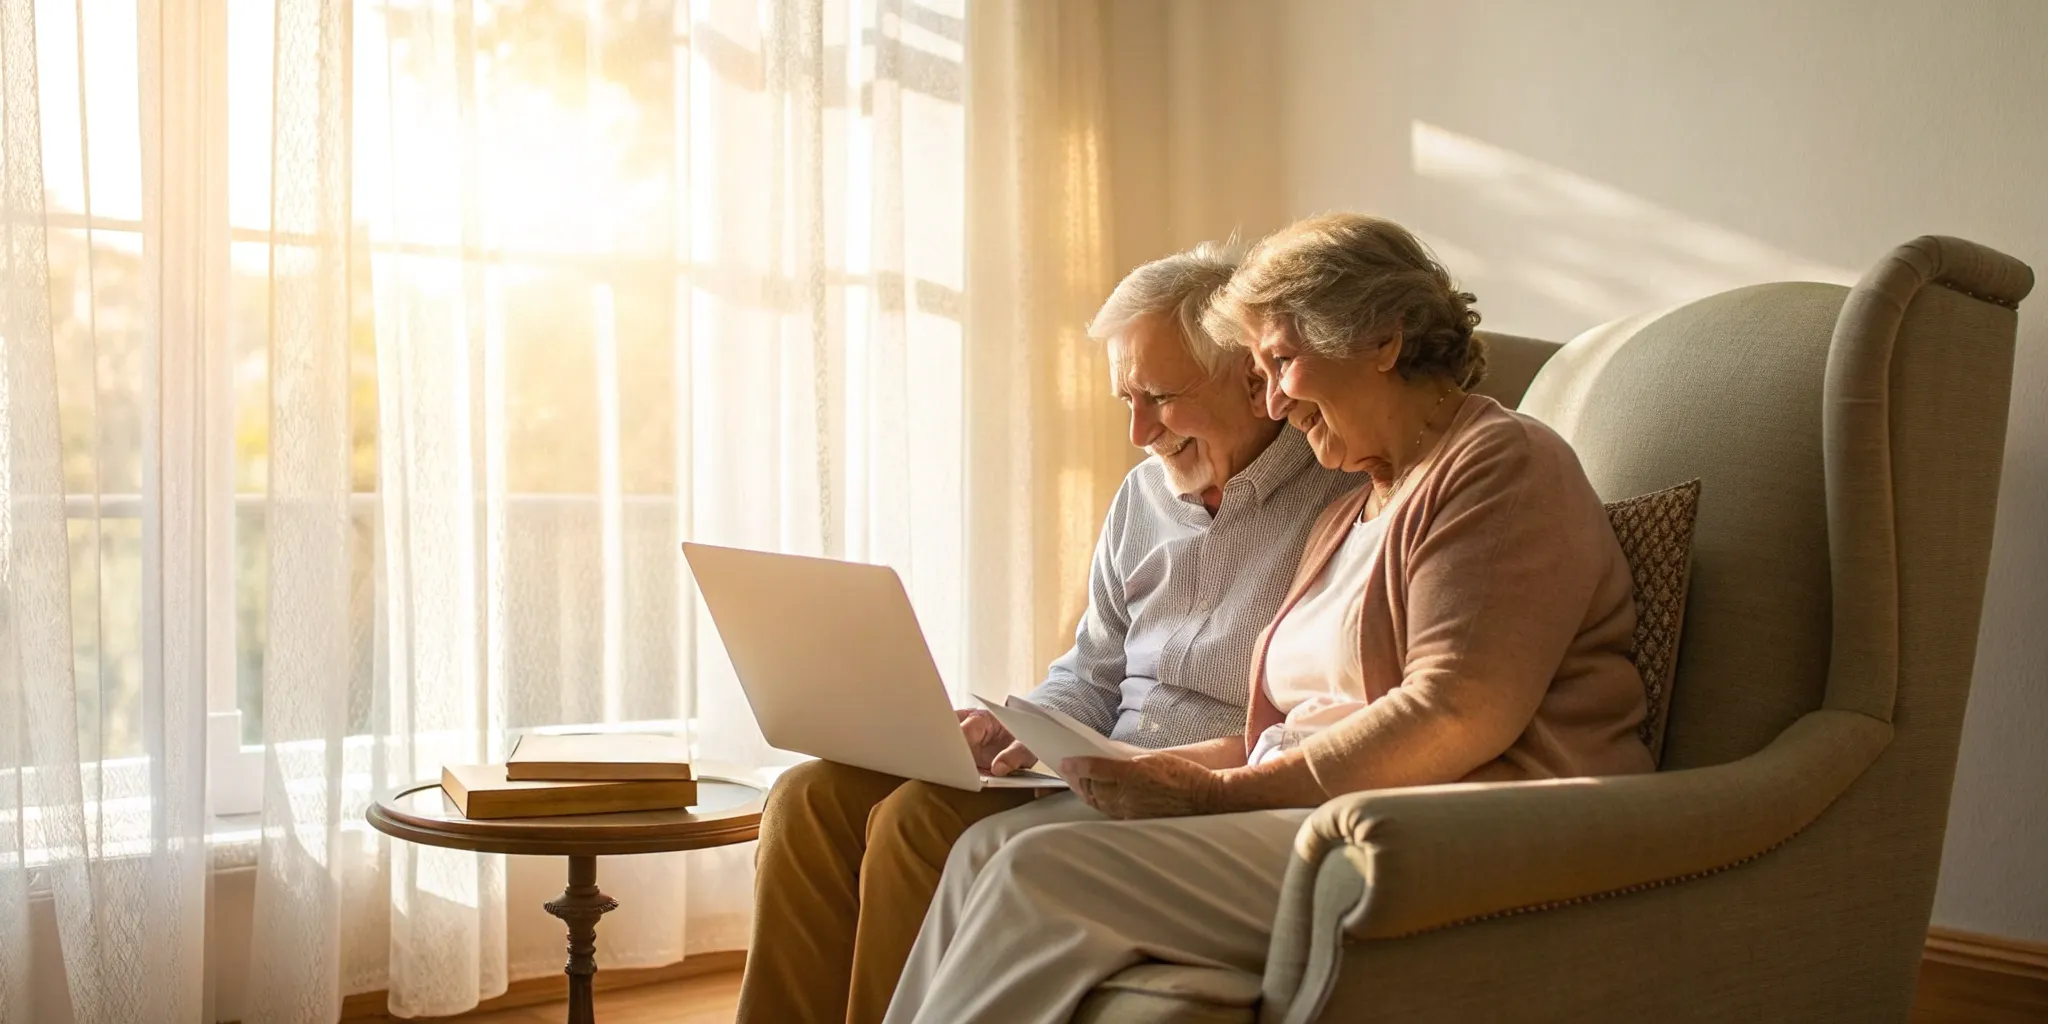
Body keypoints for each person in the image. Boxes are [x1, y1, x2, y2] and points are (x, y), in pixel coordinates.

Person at [882, 214, 1657, 1024]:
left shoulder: (1501, 462)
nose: (1275, 399)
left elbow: (1454, 712)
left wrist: (1218, 795)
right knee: (985, 849)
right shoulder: (1354, 508)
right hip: (1326, 814)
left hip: (1446, 829)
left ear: (1383, 341)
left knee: (1038, 872)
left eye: (1282, 362)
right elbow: (1278, 728)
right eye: (1260, 371)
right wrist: (1141, 769)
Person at [736, 242, 1361, 1024]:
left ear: (1251, 377)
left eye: (1160, 398)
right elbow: (1092, 669)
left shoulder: (1342, 495)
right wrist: (1016, 720)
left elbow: (1319, 707)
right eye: (1124, 400)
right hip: (1082, 766)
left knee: (916, 820)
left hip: (1198, 786)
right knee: (811, 795)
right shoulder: (1143, 496)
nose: (1137, 432)